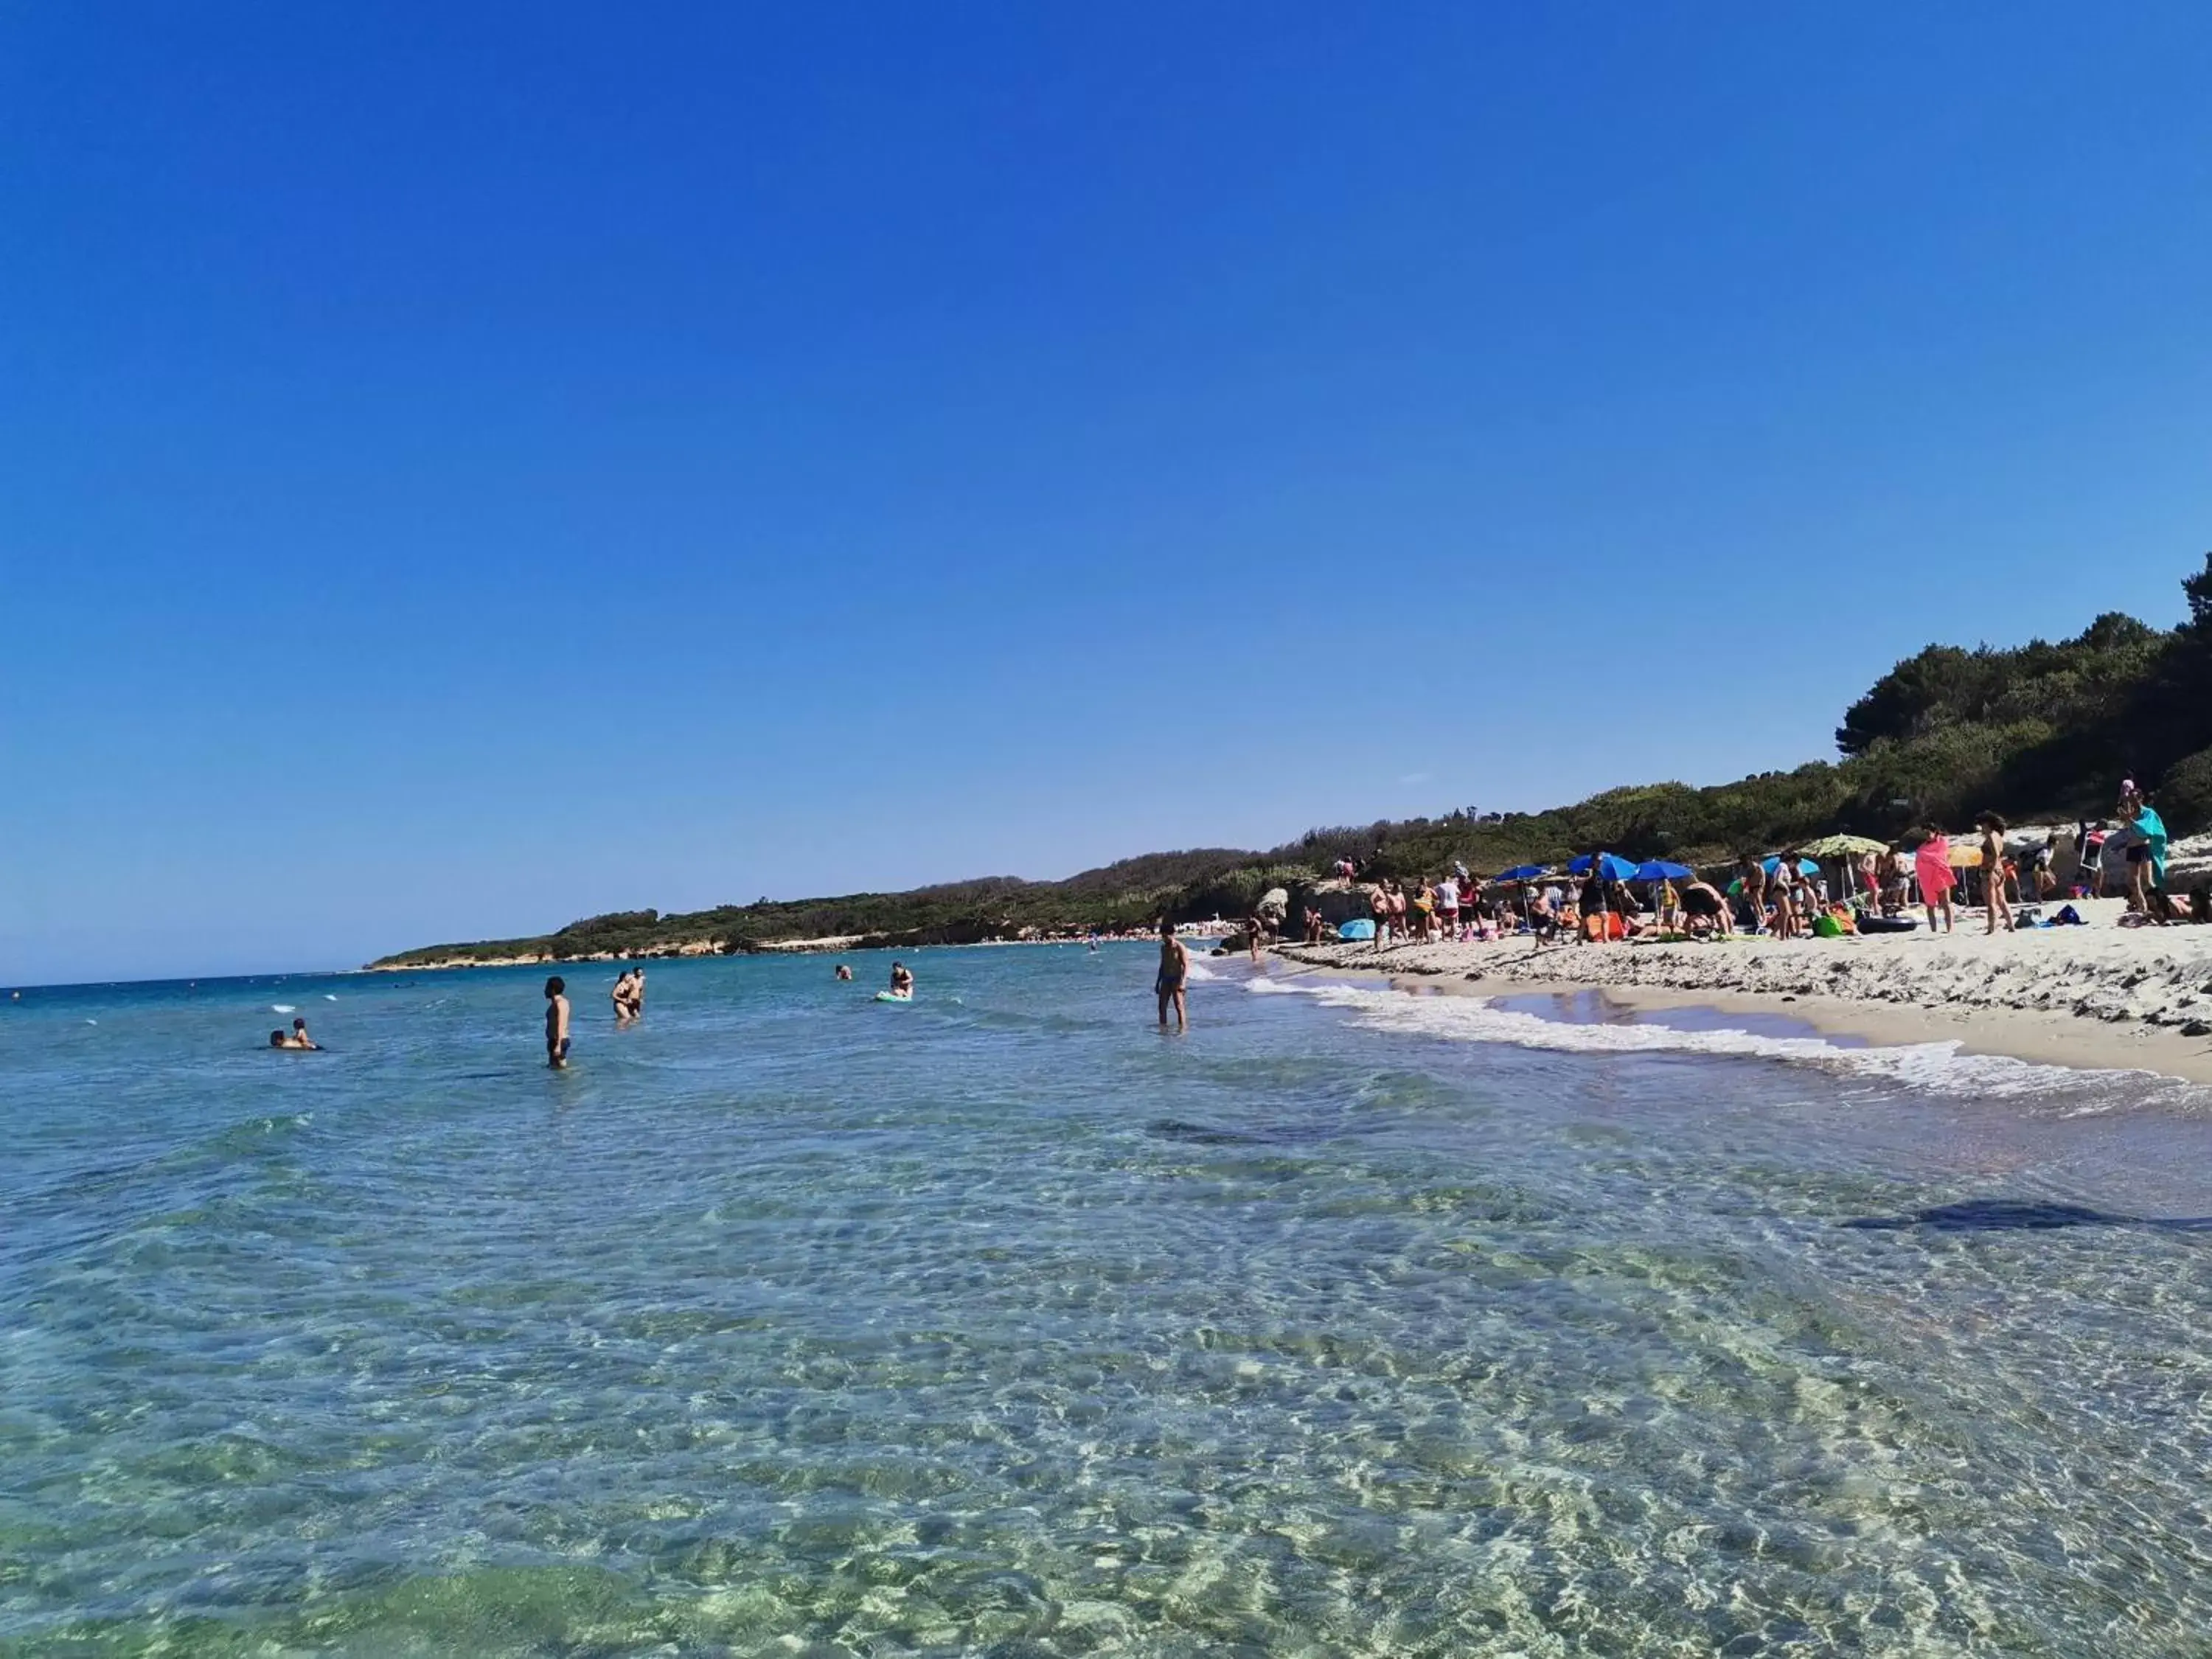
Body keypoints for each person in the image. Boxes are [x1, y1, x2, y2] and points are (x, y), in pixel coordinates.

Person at [1913, 830, 1956, 933]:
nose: (1927, 836)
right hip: (1927, 878)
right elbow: (1918, 863)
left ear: (1935, 833)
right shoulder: (1922, 847)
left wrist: (1924, 855)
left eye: (1928, 834)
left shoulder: (1942, 842)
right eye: (1924, 834)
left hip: (1941, 875)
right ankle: (1933, 930)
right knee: (1930, 905)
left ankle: (1949, 929)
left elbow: (1940, 856)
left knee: (1946, 903)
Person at [1977, 814, 2013, 932]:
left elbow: (1996, 854)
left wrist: (1989, 869)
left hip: (1990, 871)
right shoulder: (1998, 836)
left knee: (1991, 903)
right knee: (2002, 901)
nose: (1981, 828)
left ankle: (1991, 928)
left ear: (1988, 825)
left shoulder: (1991, 836)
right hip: (1999, 870)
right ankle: (2011, 925)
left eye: (1982, 825)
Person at [1155, 919, 1189, 1032]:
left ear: (1172, 934)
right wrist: (1157, 982)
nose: (1164, 939)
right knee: (1162, 1007)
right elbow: (1162, 965)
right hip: (1165, 979)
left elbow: (1186, 965)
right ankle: (1163, 1030)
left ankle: (1182, 1030)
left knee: (1179, 1006)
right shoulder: (1163, 948)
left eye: (1166, 936)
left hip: (1177, 979)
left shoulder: (1179, 947)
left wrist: (1183, 982)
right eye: (1162, 936)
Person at [545, 976, 571, 1068]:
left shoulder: (561, 1003)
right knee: (554, 1070)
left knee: (562, 1069)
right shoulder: (555, 1004)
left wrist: (558, 1045)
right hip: (554, 1040)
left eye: (547, 988)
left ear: (552, 989)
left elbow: (561, 1024)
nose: (545, 990)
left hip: (559, 1040)